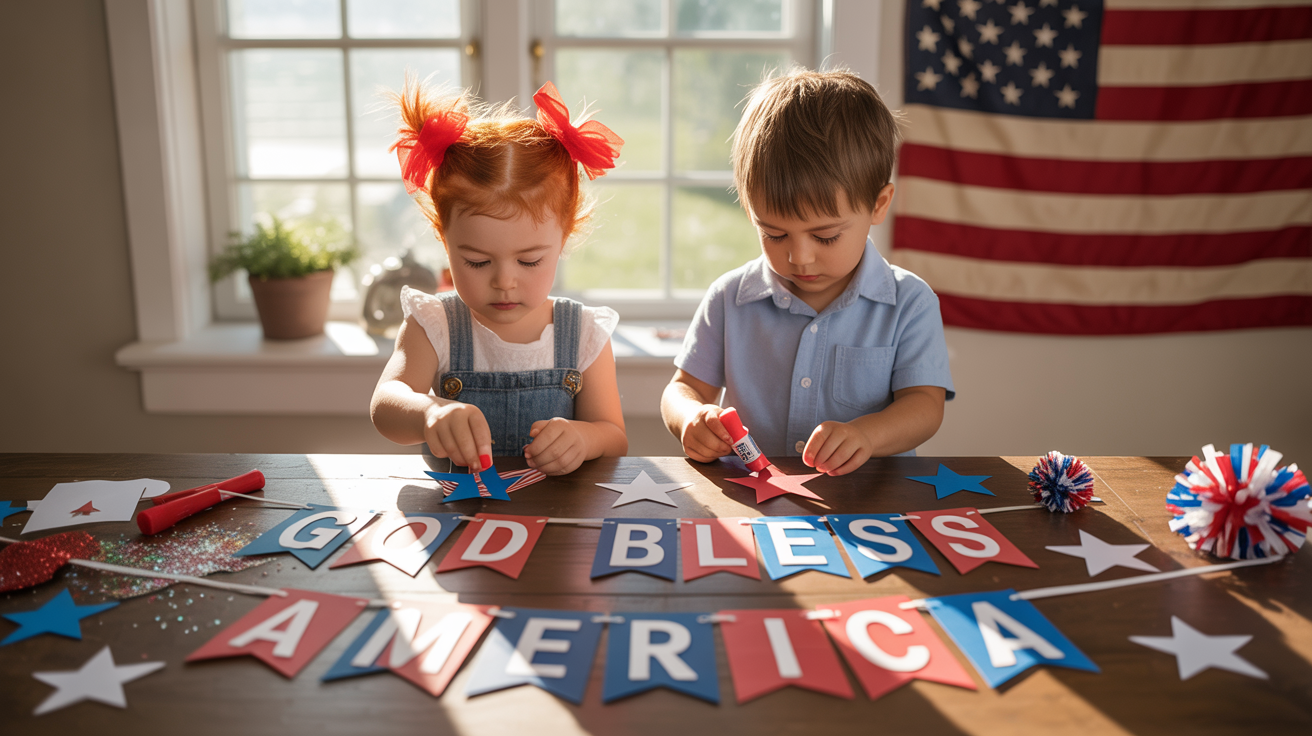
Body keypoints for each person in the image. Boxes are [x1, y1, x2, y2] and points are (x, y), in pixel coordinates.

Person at [661, 68, 954, 476]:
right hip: (755, 497)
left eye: (826, 236)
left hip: (869, 503)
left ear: (878, 205)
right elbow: (683, 388)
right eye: (774, 233)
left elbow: (925, 406)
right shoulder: (729, 298)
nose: (799, 257)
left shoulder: (910, 302)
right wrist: (691, 417)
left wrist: (867, 435)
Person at [371, 80, 628, 475]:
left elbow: (614, 437)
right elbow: (386, 405)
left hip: (556, 512)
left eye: (529, 261)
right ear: (444, 238)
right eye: (477, 262)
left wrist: (584, 439)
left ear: (563, 238)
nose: (504, 281)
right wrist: (428, 412)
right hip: (459, 509)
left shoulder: (583, 333)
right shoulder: (434, 324)